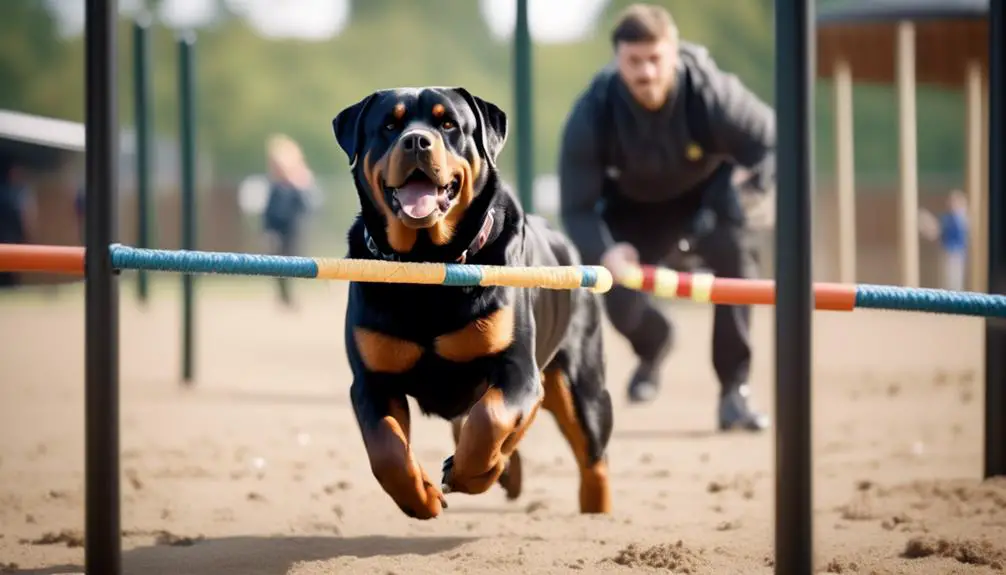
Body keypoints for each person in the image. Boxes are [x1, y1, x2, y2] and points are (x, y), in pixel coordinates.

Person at [557, 3, 774, 431]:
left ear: (674, 54)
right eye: (634, 61)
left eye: (656, 59)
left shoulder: (711, 92)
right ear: (617, 59)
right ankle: (654, 344)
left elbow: (772, 143)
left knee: (737, 258)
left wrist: (757, 190)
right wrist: (605, 251)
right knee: (619, 300)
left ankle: (735, 392)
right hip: (633, 217)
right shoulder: (593, 111)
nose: (647, 73)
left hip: (708, 204)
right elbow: (576, 208)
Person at [262, 134, 321, 308]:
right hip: (278, 229)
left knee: (293, 261)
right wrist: (267, 230)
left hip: (294, 229)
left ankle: (293, 295)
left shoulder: (300, 184)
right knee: (276, 263)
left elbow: (309, 206)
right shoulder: (275, 186)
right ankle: (284, 296)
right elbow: (269, 211)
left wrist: (300, 184)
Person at [919, 189, 969, 291]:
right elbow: (936, 231)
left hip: (955, 255)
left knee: (954, 282)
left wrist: (926, 222)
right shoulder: (951, 219)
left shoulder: (959, 220)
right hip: (950, 254)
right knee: (949, 283)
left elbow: (936, 230)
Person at [0, 159, 37, 289]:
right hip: (10, 239)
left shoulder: (15, 192)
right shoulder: (16, 194)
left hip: (11, 238)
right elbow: (25, 217)